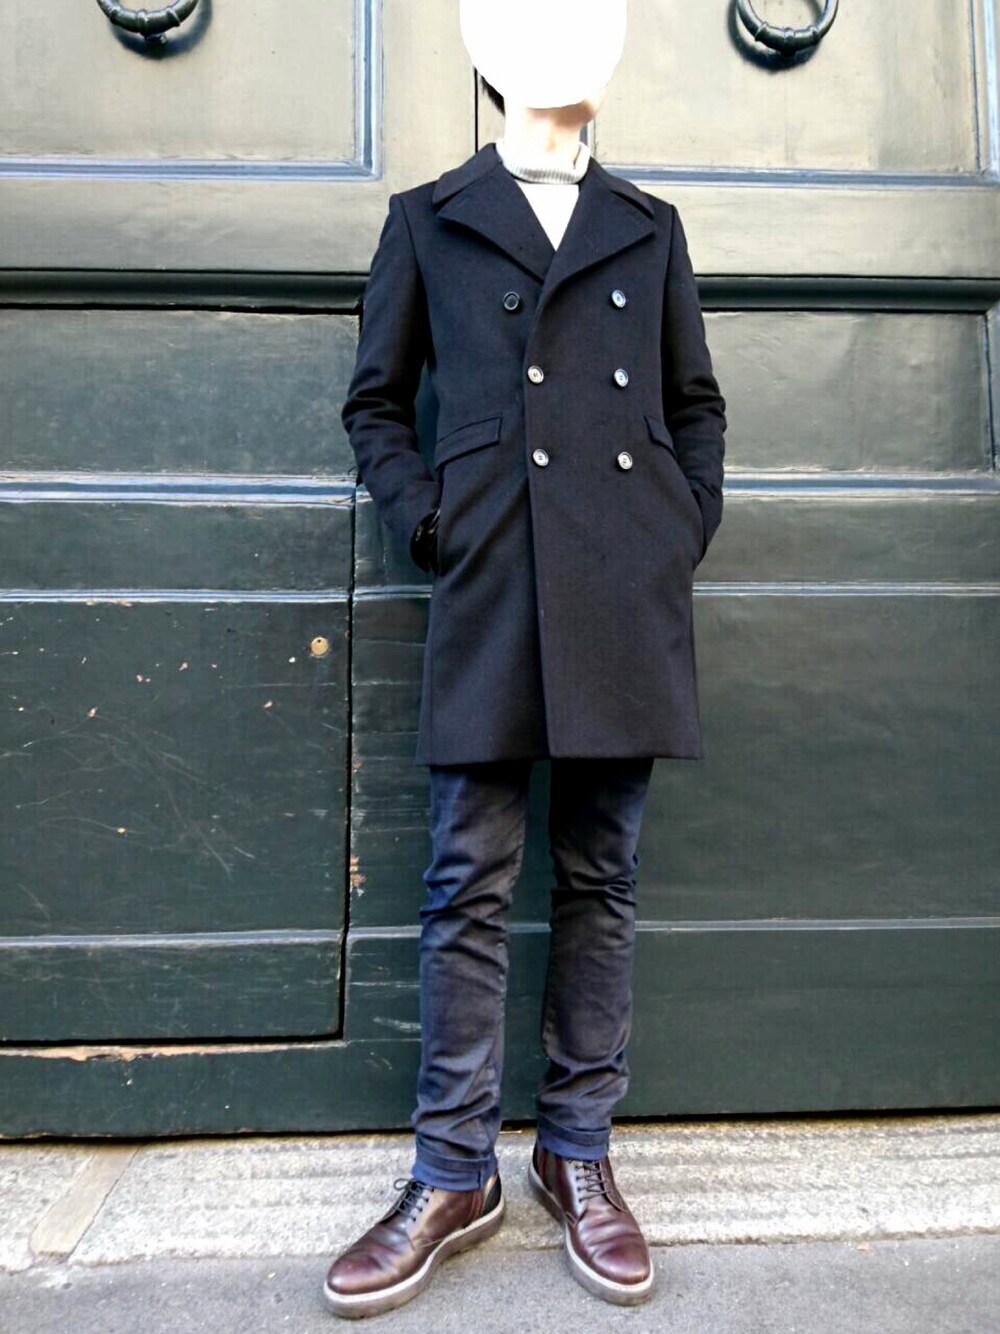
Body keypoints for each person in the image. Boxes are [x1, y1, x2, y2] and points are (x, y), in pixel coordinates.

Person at [324, 0, 727, 1317]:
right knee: (467, 882)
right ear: (493, 54)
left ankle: (576, 1153)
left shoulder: (648, 225)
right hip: (494, 578)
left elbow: (695, 404)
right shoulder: (429, 219)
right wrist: (433, 521)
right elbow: (376, 404)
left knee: (602, 878)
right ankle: (452, 1171)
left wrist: (674, 530)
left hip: (622, 584)